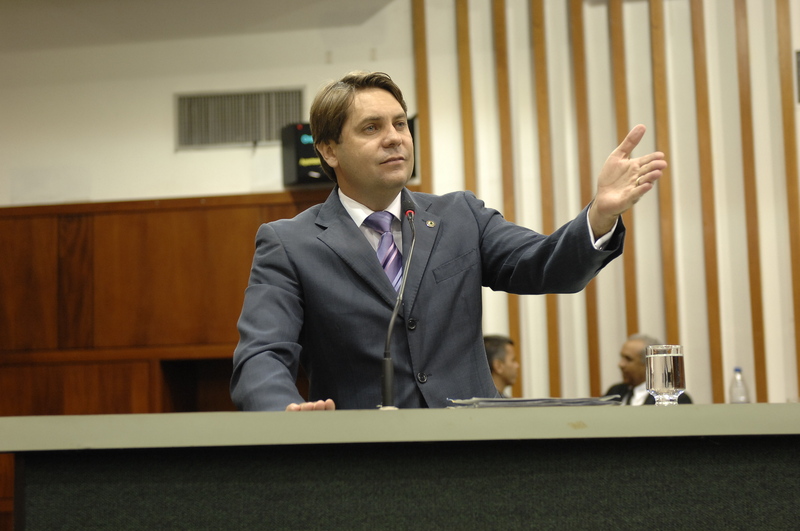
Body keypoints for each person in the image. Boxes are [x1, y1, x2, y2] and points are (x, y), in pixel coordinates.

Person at [230, 70, 667, 412]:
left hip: (473, 450)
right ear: (329, 150)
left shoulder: (460, 216)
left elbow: (546, 265)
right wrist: (284, 413)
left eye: (400, 123)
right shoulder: (290, 243)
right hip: (362, 459)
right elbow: (261, 354)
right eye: (371, 128)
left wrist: (600, 215)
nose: (394, 137)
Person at [604, 333, 693, 405]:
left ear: (649, 364)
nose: (620, 364)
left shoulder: (675, 399)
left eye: (628, 359)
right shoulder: (615, 392)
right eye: (622, 357)